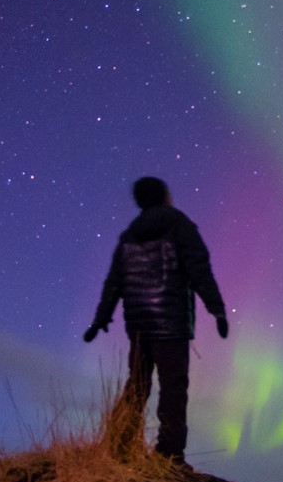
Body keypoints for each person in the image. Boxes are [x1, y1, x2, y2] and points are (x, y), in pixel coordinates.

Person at [84, 176, 227, 467]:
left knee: (136, 387)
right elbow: (199, 269)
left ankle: (120, 447)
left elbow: (114, 282)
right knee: (173, 389)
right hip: (171, 323)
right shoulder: (180, 226)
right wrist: (217, 309)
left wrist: (100, 320)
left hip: (138, 326)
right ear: (164, 196)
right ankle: (170, 456)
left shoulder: (129, 235)